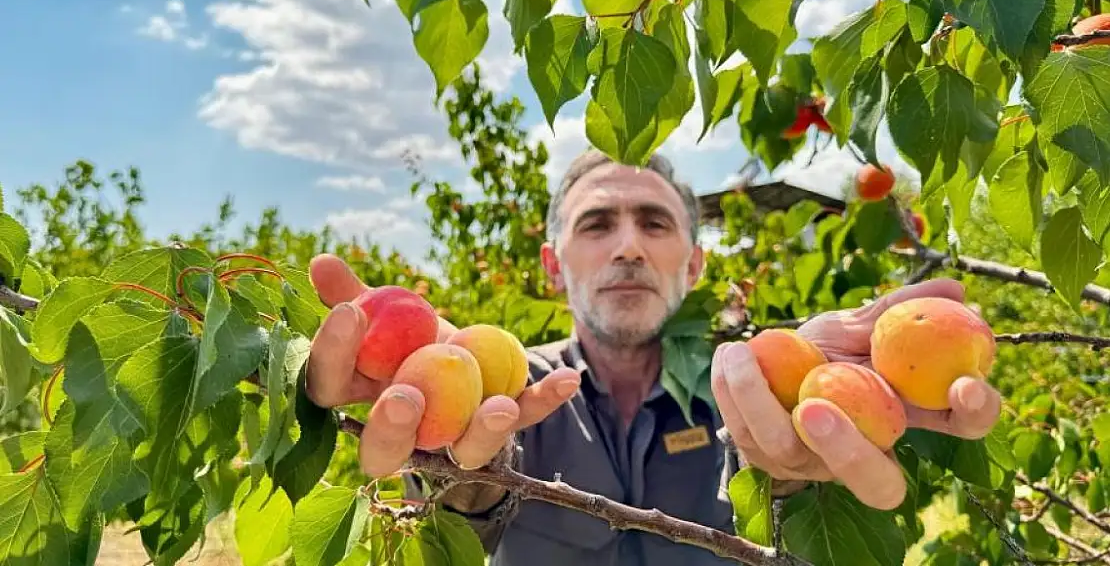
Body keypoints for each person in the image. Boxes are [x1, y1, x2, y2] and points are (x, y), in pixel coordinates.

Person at [304, 149, 1002, 566]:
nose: (629, 246)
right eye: (598, 223)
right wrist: (458, 465)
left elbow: (778, 491)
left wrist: (794, 481)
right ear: (553, 266)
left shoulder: (752, 387)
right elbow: (472, 498)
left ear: (695, 263)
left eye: (655, 222)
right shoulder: (515, 387)